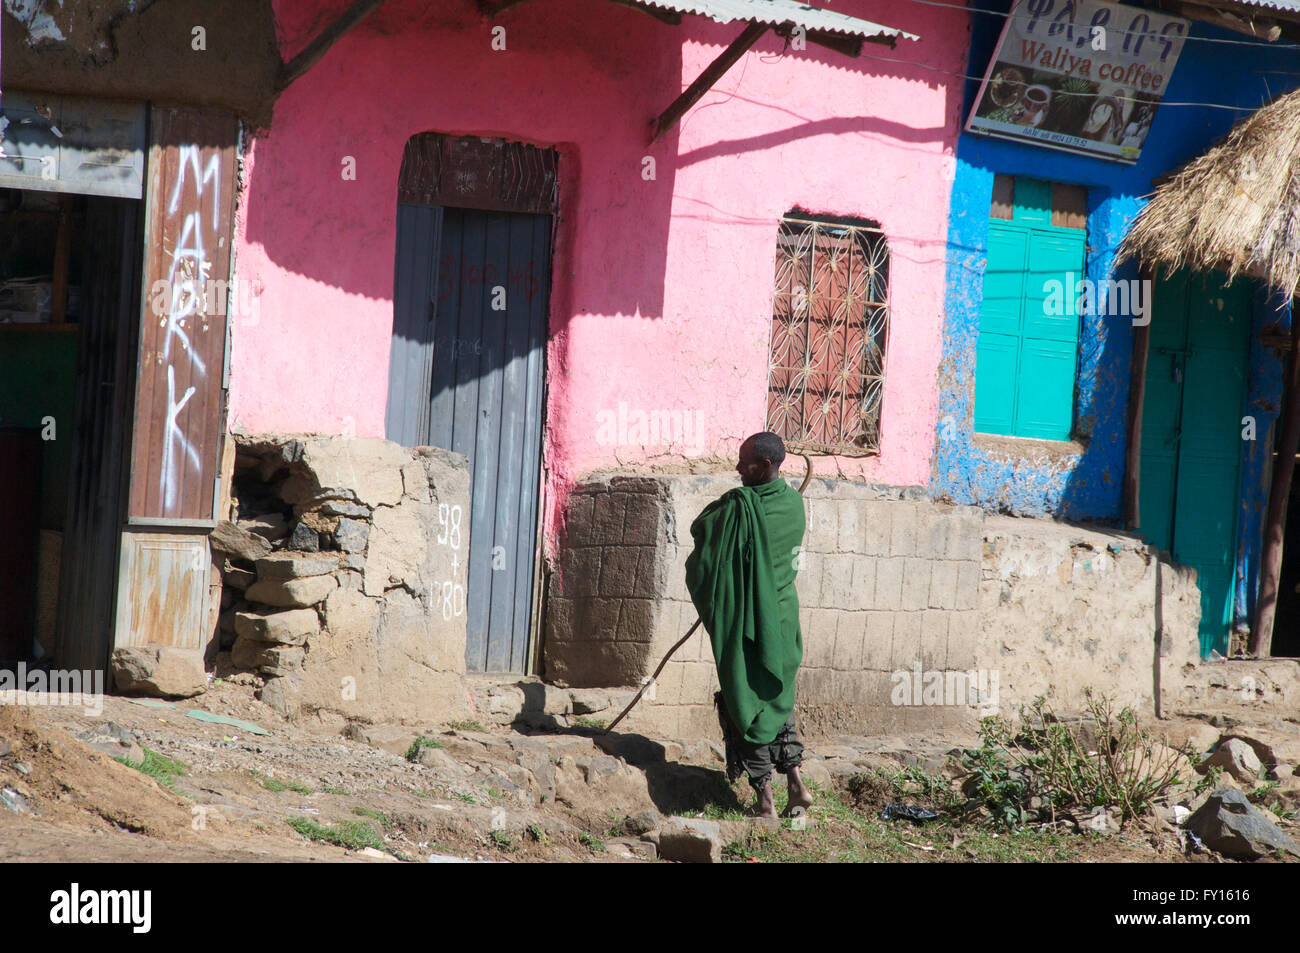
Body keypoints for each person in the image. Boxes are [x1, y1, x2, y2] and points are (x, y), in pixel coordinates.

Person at [684, 431, 812, 818]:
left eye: (746, 463)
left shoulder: (739, 507)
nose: (738, 468)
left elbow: (703, 536)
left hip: (748, 623)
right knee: (776, 696)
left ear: (768, 466)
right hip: (784, 620)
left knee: (745, 700)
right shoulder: (793, 504)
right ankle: (796, 782)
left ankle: (765, 800)